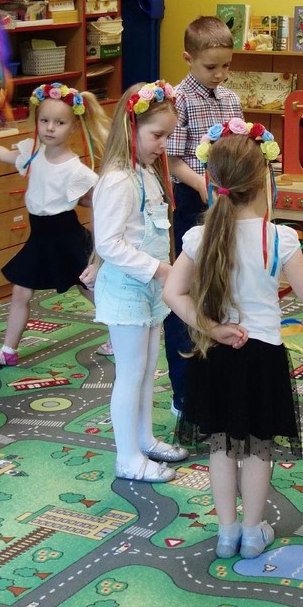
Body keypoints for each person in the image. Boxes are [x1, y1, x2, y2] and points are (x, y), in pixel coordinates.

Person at [164, 126, 303, 558]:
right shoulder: (279, 237)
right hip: (262, 356)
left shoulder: (200, 236)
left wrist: (212, 328)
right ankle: (252, 534)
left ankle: (226, 533)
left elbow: (173, 293)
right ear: (262, 181)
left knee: (220, 444)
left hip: (214, 354)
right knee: (257, 446)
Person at [0, 83, 111, 366]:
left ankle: (119, 332)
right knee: (20, 291)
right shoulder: (32, 152)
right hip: (39, 236)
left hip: (66, 236)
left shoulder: (76, 169)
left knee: (89, 289)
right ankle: (8, 351)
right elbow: (6, 156)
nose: (50, 128)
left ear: (73, 127)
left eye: (59, 123)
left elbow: (97, 200)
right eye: (44, 120)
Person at [94, 81, 190, 482]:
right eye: (157, 135)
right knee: (131, 373)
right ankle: (127, 458)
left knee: (148, 368)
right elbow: (108, 243)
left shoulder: (146, 173)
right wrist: (161, 271)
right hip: (127, 291)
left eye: (168, 136)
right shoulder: (118, 180)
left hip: (148, 290)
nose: (163, 145)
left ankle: (144, 439)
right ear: (131, 127)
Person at [163, 18, 242, 419]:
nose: (220, 74)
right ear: (188, 58)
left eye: (226, 65)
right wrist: (200, 184)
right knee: (189, 288)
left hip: (227, 202)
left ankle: (218, 379)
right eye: (211, 67)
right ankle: (184, 392)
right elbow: (173, 159)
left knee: (223, 285)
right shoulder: (179, 100)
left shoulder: (230, 98)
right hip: (193, 202)